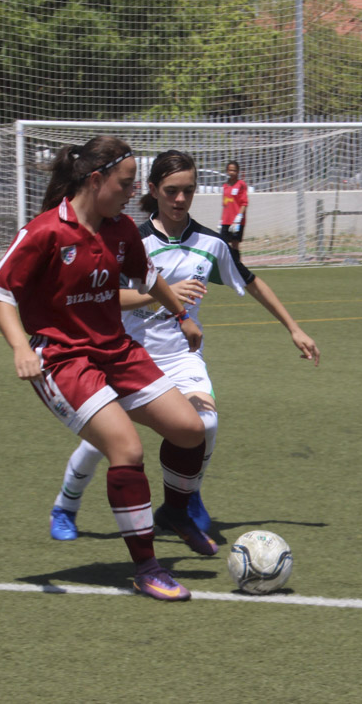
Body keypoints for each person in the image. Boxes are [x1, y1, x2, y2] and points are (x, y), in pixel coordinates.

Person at [0, 136, 214, 602]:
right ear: (95, 179)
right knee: (126, 447)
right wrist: (20, 347)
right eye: (125, 184)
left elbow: (149, 278)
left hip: (116, 350)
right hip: (62, 360)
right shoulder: (46, 231)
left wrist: (183, 317)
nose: (132, 193)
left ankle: (175, 513)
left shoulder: (120, 229)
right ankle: (147, 568)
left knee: (192, 429)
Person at [49, 150, 320, 544]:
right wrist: (160, 296)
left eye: (188, 192)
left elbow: (253, 281)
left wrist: (294, 328)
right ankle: (65, 506)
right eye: (172, 191)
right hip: (127, 352)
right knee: (104, 441)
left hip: (181, 356)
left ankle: (183, 501)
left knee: (205, 424)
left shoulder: (210, 243)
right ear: (154, 190)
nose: (180, 200)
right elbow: (103, 296)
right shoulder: (130, 239)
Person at [218, 160, 249, 257]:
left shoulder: (241, 184)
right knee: (223, 244)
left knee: (235, 244)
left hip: (236, 222)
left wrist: (239, 218)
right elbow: (225, 204)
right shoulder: (225, 186)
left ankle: (237, 268)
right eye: (230, 170)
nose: (232, 173)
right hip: (226, 221)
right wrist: (221, 219)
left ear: (238, 171)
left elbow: (244, 203)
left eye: (234, 170)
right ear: (227, 171)